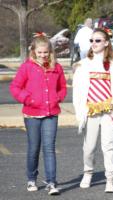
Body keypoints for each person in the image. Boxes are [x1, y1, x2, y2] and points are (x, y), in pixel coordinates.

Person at [9, 32, 67, 195]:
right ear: (34, 51)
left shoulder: (56, 67)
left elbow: (62, 87)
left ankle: (51, 182)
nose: (43, 55)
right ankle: (31, 179)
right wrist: (27, 99)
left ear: (50, 52)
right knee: (34, 148)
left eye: (46, 52)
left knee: (49, 148)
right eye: (39, 52)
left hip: (51, 114)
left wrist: (58, 98)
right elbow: (15, 87)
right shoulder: (27, 67)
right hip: (32, 114)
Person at [72, 28, 113, 193]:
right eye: (91, 40)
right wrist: (79, 110)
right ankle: (88, 172)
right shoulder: (83, 64)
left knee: (108, 145)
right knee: (89, 147)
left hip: (107, 111)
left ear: (106, 43)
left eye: (97, 40)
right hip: (90, 111)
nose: (93, 44)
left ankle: (110, 178)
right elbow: (77, 90)